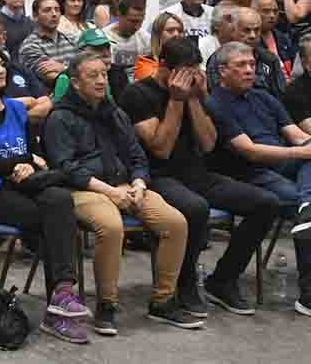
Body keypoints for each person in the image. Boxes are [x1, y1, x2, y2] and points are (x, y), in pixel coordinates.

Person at [120, 37, 279, 317]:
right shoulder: (137, 95)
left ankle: (222, 279)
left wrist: (193, 99)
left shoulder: (196, 93)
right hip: (156, 176)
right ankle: (185, 283)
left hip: (197, 173)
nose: (190, 79)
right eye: (184, 73)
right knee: (195, 208)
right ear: (164, 67)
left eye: (195, 72)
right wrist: (176, 101)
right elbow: (161, 149)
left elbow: (207, 143)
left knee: (266, 203)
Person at [43, 53, 198, 333]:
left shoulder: (115, 113)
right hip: (84, 189)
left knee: (175, 222)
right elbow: (65, 168)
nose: (102, 80)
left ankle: (163, 301)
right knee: (111, 227)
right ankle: (107, 304)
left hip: (125, 186)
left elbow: (138, 156)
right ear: (75, 83)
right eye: (93, 76)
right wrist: (110, 191)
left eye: (104, 74)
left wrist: (139, 183)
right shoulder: (60, 117)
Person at [0, 45, 89, 341]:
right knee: (51, 218)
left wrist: (30, 165)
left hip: (27, 184)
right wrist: (20, 162)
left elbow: (34, 153)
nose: (1, 70)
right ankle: (60, 303)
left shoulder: (14, 108)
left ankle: (62, 293)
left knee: (60, 200)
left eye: (2, 64)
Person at [208, 41, 311, 314]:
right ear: (222, 71)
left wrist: (307, 147)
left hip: (284, 162)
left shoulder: (264, 97)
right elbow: (249, 152)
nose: (249, 70)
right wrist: (302, 153)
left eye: (252, 64)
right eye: (241, 65)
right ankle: (309, 292)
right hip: (245, 171)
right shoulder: (215, 103)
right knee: (298, 203)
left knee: (307, 197)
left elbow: (297, 136)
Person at [18, 0, 78, 92]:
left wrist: (63, 68)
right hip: (52, 100)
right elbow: (53, 78)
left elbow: (88, 67)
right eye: (47, 10)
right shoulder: (30, 46)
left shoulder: (72, 39)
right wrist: (75, 69)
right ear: (35, 16)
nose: (54, 14)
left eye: (57, 10)